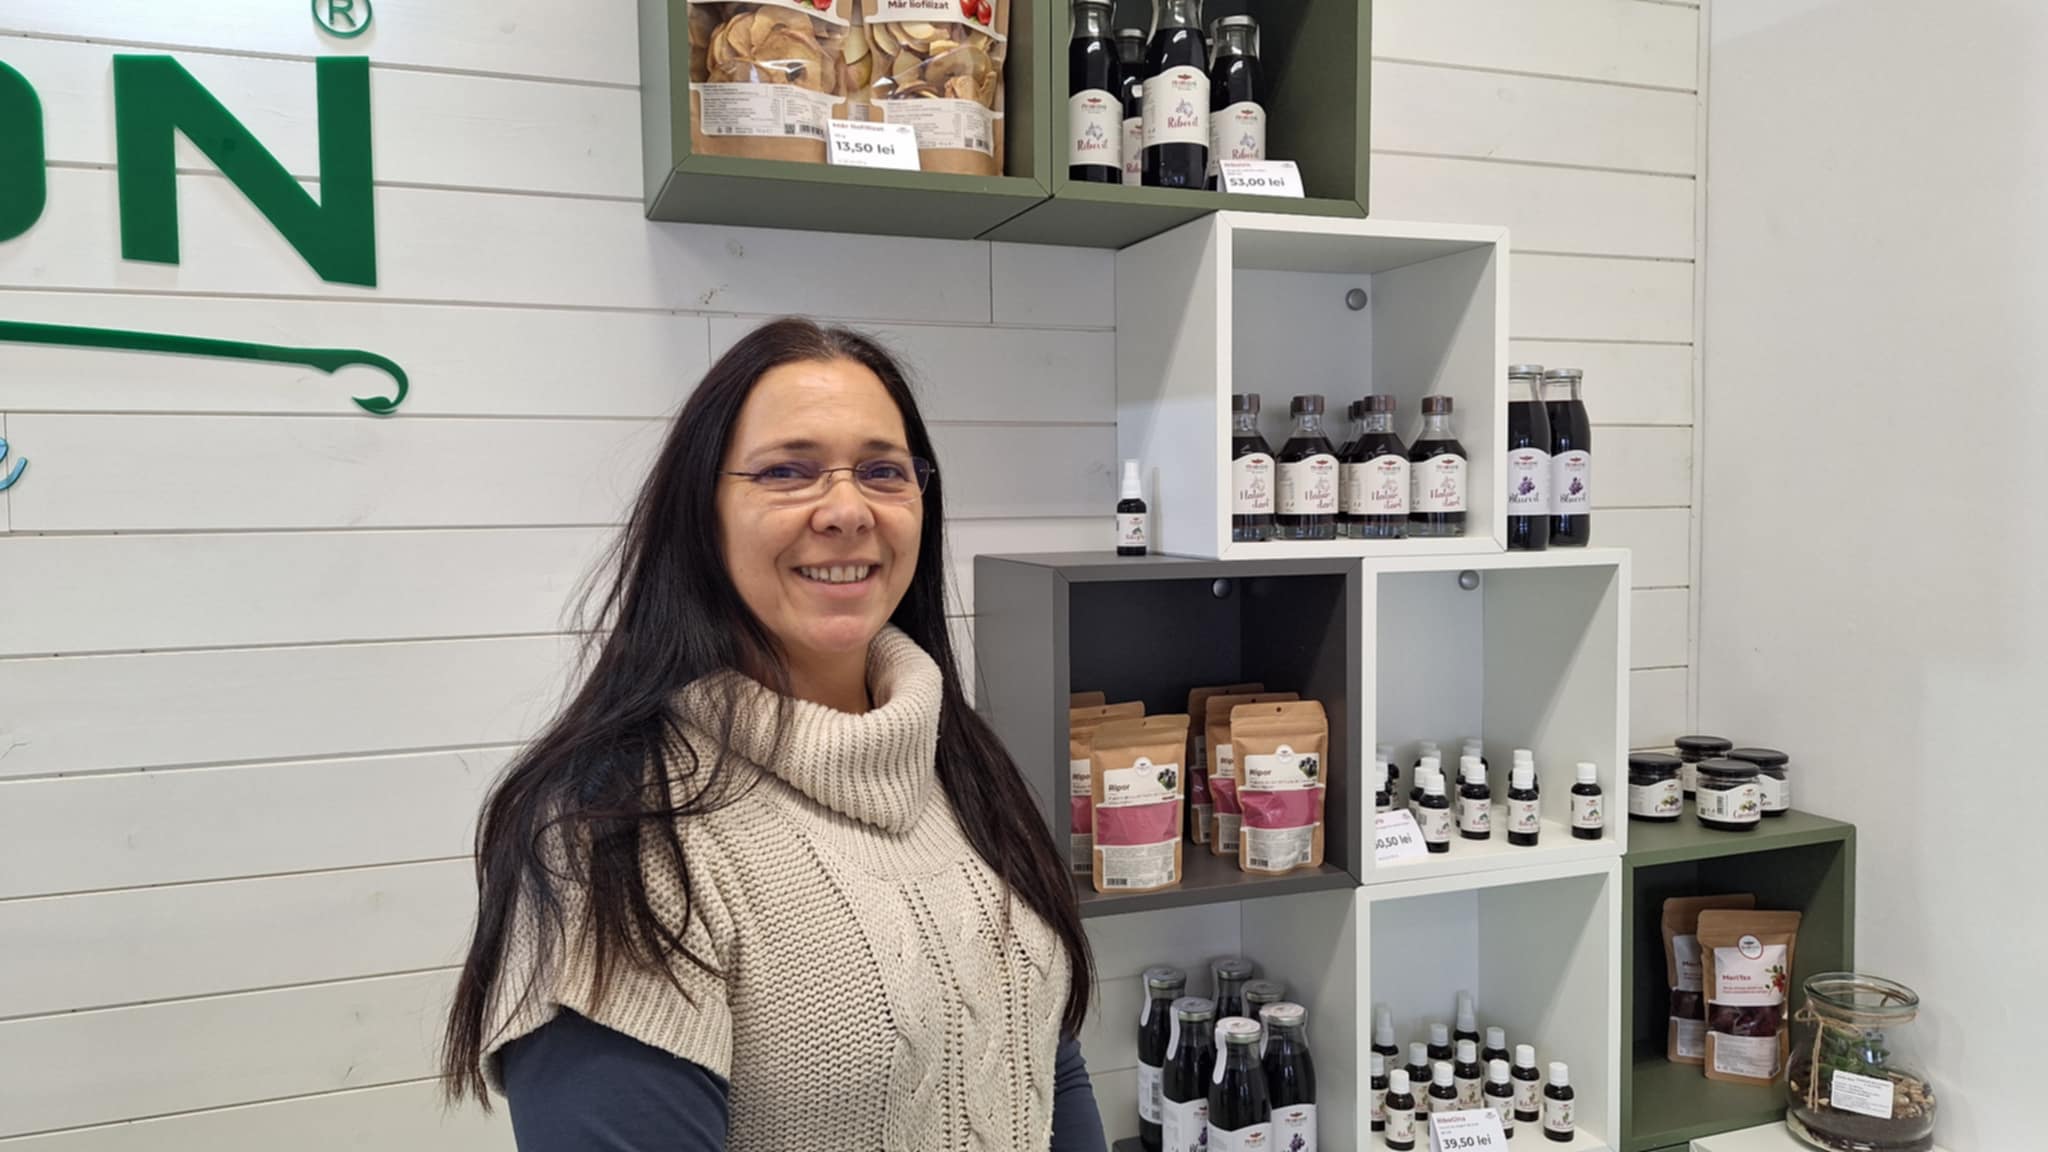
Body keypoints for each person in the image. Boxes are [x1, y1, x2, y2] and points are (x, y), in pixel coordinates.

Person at [440, 318, 1104, 1150]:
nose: (847, 510)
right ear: (700, 515)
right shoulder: (614, 838)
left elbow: (1042, 1058)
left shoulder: (960, 758)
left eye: (883, 471)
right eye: (787, 471)